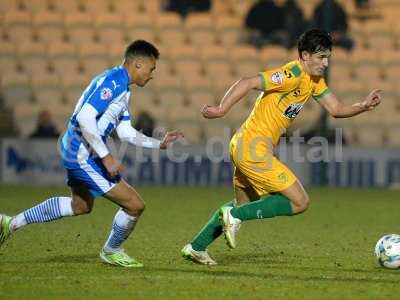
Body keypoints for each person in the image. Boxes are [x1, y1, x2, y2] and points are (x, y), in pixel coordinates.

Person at [181, 29, 381, 265]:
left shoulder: (314, 81)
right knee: (300, 202)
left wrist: (363, 105)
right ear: (305, 55)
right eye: (321, 57)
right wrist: (221, 109)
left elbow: (336, 109)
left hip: (244, 145)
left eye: (328, 57)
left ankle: (196, 247)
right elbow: (247, 82)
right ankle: (233, 216)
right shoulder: (292, 73)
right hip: (252, 148)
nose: (326, 63)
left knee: (242, 205)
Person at [0, 40, 183, 268]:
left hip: (77, 150)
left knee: (81, 205)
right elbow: (85, 117)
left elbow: (125, 133)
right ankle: (112, 250)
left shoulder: (122, 89)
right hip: (82, 154)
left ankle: (10, 223)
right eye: (151, 68)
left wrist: (159, 145)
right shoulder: (114, 81)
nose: (152, 74)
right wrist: (106, 157)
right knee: (134, 205)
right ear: (137, 64)